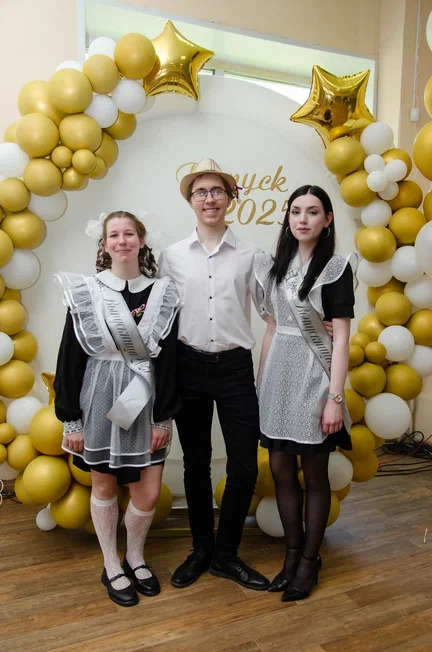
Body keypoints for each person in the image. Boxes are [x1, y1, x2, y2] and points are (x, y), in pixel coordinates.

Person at [54, 210, 181, 607]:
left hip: (146, 403)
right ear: (105, 244)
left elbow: (169, 361)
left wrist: (163, 417)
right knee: (105, 486)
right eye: (114, 235)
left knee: (148, 492)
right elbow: (69, 358)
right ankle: (112, 563)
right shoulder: (88, 291)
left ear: (141, 241)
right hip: (99, 398)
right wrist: (71, 420)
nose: (122, 241)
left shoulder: (162, 293)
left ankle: (136, 557)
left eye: (129, 234)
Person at [158, 158, 270, 591]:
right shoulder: (172, 257)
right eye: (201, 192)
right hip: (188, 367)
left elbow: (272, 312)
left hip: (235, 368)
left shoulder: (251, 255)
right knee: (196, 463)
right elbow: (161, 318)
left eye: (217, 191)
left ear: (230, 198)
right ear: (191, 201)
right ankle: (201, 548)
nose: (210, 198)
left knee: (244, 467)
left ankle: (227, 554)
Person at [255, 185, 356, 602]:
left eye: (313, 212)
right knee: (281, 470)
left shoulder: (336, 269)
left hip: (316, 378)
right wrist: (261, 384)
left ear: (327, 219)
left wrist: (335, 398)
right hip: (277, 377)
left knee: (314, 475)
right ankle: (292, 555)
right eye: (296, 211)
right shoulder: (274, 267)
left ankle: (310, 561)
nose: (303, 219)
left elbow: (342, 338)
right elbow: (271, 328)